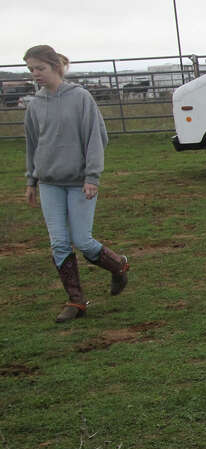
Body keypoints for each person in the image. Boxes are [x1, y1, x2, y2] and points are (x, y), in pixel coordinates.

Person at [22, 44, 130, 323]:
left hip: (79, 182)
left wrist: (92, 176)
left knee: (82, 240)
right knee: (59, 243)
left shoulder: (81, 98)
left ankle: (118, 266)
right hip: (49, 183)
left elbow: (96, 138)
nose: (36, 74)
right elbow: (32, 145)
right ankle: (76, 301)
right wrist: (31, 180)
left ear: (56, 66)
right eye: (31, 69)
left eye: (40, 68)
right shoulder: (34, 105)